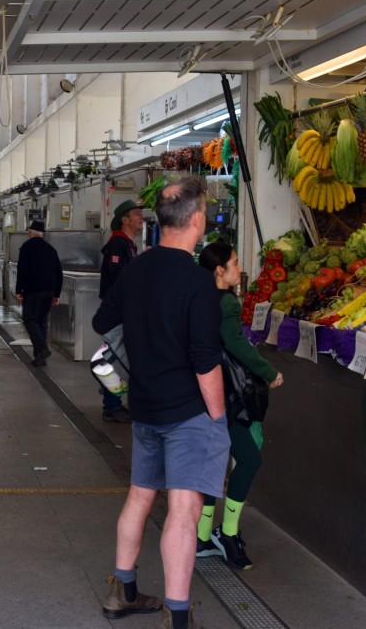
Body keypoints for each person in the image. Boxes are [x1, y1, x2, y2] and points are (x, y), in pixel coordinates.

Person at [92, 178, 230, 629]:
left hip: (145, 405)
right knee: (184, 510)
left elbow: (102, 320)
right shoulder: (198, 282)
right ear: (197, 220)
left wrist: (142, 345)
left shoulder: (137, 268)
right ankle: (178, 617)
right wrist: (218, 417)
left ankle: (122, 591)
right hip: (188, 412)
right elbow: (206, 362)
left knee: (140, 495)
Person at [195, 242, 283, 570]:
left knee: (211, 463)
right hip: (224, 395)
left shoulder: (198, 297)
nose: (239, 268)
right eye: (234, 262)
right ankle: (228, 533)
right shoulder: (227, 301)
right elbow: (234, 343)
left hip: (198, 392)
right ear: (219, 270)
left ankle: (202, 536)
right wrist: (269, 371)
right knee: (249, 458)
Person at [98, 199, 144, 423]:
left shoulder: (127, 244)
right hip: (118, 312)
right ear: (124, 220)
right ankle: (111, 406)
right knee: (115, 357)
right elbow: (119, 280)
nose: (141, 218)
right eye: (136, 214)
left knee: (119, 356)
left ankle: (114, 402)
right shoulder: (118, 244)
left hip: (123, 310)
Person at [15, 220, 63, 366]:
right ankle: (40, 357)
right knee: (42, 321)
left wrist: (18, 290)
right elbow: (59, 273)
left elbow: (22, 270)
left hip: (33, 290)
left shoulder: (27, 247)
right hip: (49, 290)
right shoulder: (51, 249)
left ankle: (42, 348)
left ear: (30, 233)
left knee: (30, 319)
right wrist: (56, 294)